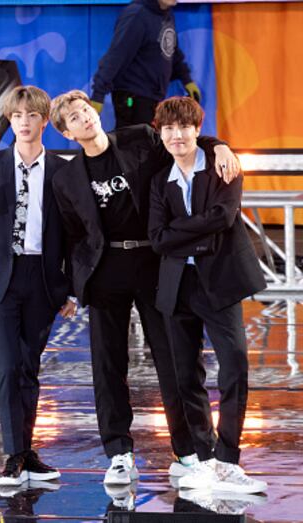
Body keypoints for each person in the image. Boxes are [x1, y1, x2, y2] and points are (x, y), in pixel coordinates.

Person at [48, 89, 240, 487]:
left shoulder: (138, 138)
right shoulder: (65, 178)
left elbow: (180, 139)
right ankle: (119, 453)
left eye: (86, 110)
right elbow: (71, 236)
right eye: (75, 118)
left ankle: (189, 450)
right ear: (67, 133)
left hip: (153, 263)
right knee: (107, 366)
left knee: (175, 361)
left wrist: (218, 145)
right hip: (104, 272)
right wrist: (71, 285)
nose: (85, 118)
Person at [0, 86, 76, 487]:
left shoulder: (62, 170)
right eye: (17, 116)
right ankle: (13, 454)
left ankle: (26, 452)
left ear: (44, 121)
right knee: (7, 367)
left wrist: (72, 289)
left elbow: (75, 232)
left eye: (32, 115)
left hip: (44, 278)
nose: (24, 122)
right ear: (9, 120)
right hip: (1, 279)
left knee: (28, 367)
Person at [147, 96, 267, 494]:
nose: (176, 135)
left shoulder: (223, 165)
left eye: (184, 127)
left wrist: (180, 233)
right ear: (161, 133)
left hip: (220, 282)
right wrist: (199, 235)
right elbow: (157, 238)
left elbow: (224, 216)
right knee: (186, 377)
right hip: (177, 286)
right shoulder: (159, 180)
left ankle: (228, 459)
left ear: (197, 130)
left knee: (234, 366)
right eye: (168, 129)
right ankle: (204, 457)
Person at [90, 0, 201, 129]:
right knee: (134, 141)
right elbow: (116, 55)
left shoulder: (166, 13)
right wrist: (98, 94)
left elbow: (171, 50)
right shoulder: (137, 15)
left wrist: (186, 79)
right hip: (133, 98)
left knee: (151, 140)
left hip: (153, 98)